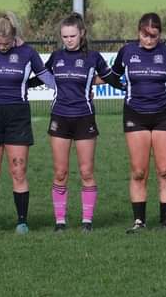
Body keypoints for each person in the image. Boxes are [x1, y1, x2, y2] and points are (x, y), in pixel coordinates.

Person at [0, 15, 54, 235]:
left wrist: (67, 86)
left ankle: (22, 222)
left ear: (14, 37)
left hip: (17, 115)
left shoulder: (27, 53)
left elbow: (47, 77)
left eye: (6, 43)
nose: (2, 47)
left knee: (18, 171)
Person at [43, 13, 121, 233]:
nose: (68, 40)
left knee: (86, 172)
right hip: (59, 118)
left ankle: (87, 221)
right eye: (65, 36)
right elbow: (41, 76)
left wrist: (127, 85)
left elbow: (110, 77)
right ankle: (60, 222)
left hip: (84, 118)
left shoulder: (93, 57)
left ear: (82, 34)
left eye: (72, 35)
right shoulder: (56, 57)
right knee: (60, 172)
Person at [112, 13, 166, 233]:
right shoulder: (127, 52)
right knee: (138, 171)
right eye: (145, 36)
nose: (149, 40)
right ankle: (139, 221)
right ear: (138, 33)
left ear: (160, 35)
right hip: (135, 115)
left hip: (165, 115)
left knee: (165, 170)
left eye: (153, 36)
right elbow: (112, 75)